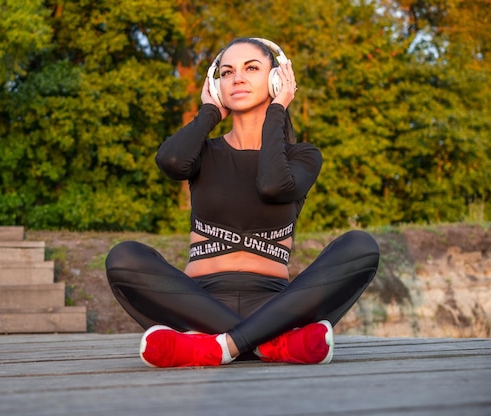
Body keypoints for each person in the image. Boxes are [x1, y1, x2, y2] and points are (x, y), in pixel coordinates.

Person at [105, 37, 380, 368]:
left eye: (252, 68)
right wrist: (210, 111)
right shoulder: (204, 152)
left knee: (361, 246)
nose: (237, 78)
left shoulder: (303, 156)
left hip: (275, 305)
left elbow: (272, 186)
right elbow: (171, 161)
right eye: (227, 72)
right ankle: (271, 345)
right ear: (216, 83)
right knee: (123, 257)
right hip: (197, 302)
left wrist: (278, 107)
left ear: (277, 79)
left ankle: (215, 347)